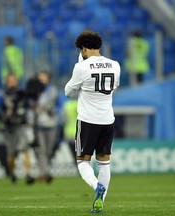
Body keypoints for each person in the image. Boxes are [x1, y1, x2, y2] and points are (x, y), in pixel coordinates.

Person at [64, 31, 120, 213]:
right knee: (104, 163)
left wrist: (80, 65)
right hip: (107, 120)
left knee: (82, 162)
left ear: (84, 49)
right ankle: (100, 203)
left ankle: (97, 186)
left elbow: (68, 92)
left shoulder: (82, 67)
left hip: (88, 121)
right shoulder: (115, 65)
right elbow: (114, 88)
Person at [0, 73, 35, 185]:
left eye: (14, 80)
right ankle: (12, 173)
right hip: (8, 128)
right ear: (7, 82)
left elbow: (30, 106)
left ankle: (28, 175)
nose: (12, 82)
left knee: (24, 149)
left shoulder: (22, 93)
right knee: (11, 154)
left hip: (21, 125)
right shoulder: (3, 95)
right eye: (10, 80)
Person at [26, 70, 58, 184]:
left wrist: (55, 111)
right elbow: (30, 105)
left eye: (44, 78)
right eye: (41, 78)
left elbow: (57, 105)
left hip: (51, 124)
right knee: (42, 150)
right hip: (38, 125)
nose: (43, 80)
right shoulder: (34, 92)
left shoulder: (52, 90)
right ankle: (45, 173)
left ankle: (43, 171)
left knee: (49, 151)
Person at [62, 99, 78, 166]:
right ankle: (82, 168)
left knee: (73, 153)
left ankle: (78, 167)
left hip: (68, 132)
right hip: (79, 132)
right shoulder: (79, 104)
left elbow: (64, 120)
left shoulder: (66, 105)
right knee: (80, 153)